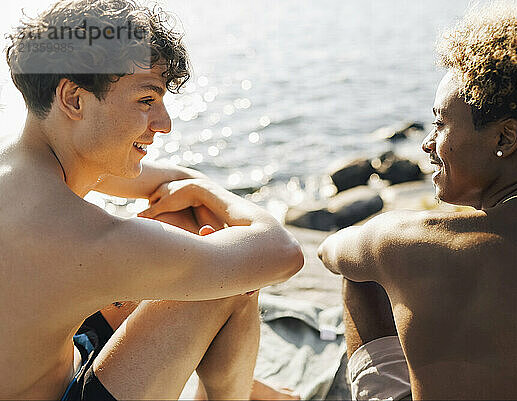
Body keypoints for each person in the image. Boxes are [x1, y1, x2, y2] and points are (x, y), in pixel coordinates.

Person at [0, 0, 303, 399]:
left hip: (47, 362)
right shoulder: (84, 236)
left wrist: (196, 191)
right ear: (73, 98)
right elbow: (282, 252)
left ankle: (248, 388)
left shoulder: (22, 168)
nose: (164, 123)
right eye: (147, 100)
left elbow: (177, 181)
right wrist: (210, 193)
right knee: (231, 279)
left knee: (188, 226)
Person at [318, 2, 517, 399]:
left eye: (440, 123)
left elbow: (330, 252)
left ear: (505, 138)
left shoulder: (402, 242)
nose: (427, 143)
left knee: (361, 278)